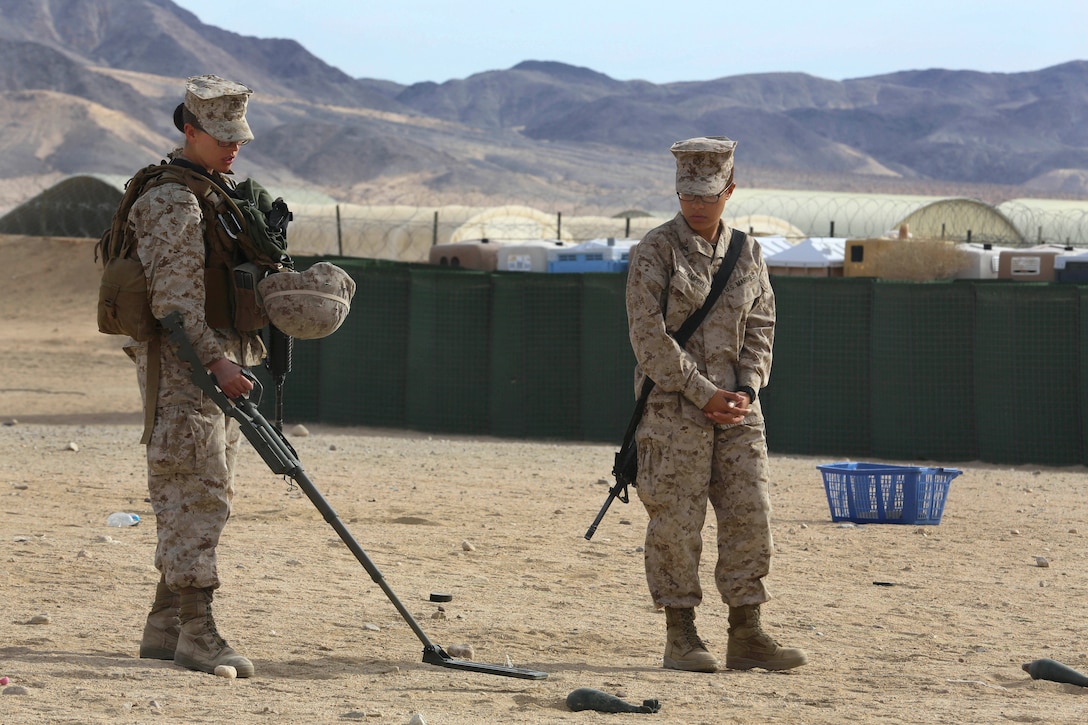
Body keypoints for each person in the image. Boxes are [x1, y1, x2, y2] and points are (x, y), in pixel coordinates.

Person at [624, 136, 807, 673]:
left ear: (730, 189)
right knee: (677, 523)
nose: (696, 204)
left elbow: (762, 326)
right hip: (674, 412)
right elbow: (649, 339)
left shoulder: (748, 254)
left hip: (737, 414)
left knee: (751, 517)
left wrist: (747, 389)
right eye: (687, 194)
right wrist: (704, 394)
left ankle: (746, 633)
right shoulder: (654, 252)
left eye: (706, 193)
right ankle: (681, 636)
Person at [128, 75, 264, 677]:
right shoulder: (172, 200)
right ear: (189, 129)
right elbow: (174, 306)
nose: (233, 148)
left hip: (210, 367)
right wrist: (216, 361)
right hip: (187, 371)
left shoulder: (211, 191)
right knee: (196, 494)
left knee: (204, 489)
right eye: (220, 136)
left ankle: (164, 628)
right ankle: (197, 634)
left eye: (238, 137)